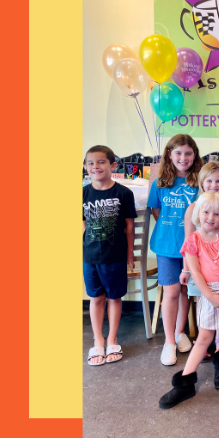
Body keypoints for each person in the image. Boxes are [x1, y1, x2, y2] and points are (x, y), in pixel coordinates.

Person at [159, 192, 219, 409]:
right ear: (198, 214)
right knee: (205, 335)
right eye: (206, 212)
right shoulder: (192, 240)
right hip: (209, 292)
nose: (211, 217)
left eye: (217, 214)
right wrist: (209, 296)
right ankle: (185, 382)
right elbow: (196, 273)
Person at [147, 134, 203, 366]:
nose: (183, 157)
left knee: (185, 291)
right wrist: (172, 230)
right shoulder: (159, 183)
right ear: (169, 155)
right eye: (178, 153)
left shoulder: (199, 182)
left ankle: (180, 332)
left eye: (188, 153)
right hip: (166, 245)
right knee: (170, 292)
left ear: (194, 156)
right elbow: (156, 211)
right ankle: (169, 341)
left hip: (192, 247)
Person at [82, 144, 136, 365]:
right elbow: (82, 225)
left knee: (114, 297)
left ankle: (113, 338)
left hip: (115, 257)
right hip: (90, 258)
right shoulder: (82, 193)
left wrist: (130, 254)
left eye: (101, 162)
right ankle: (98, 340)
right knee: (96, 298)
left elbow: (129, 227)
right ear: (86, 167)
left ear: (113, 165)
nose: (96, 166)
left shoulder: (124, 193)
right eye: (91, 163)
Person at [179, 160, 219, 360]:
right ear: (202, 183)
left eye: (218, 181)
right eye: (209, 181)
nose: (214, 185)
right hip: (199, 271)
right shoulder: (193, 208)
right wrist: (186, 270)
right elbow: (188, 242)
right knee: (204, 305)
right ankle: (205, 340)